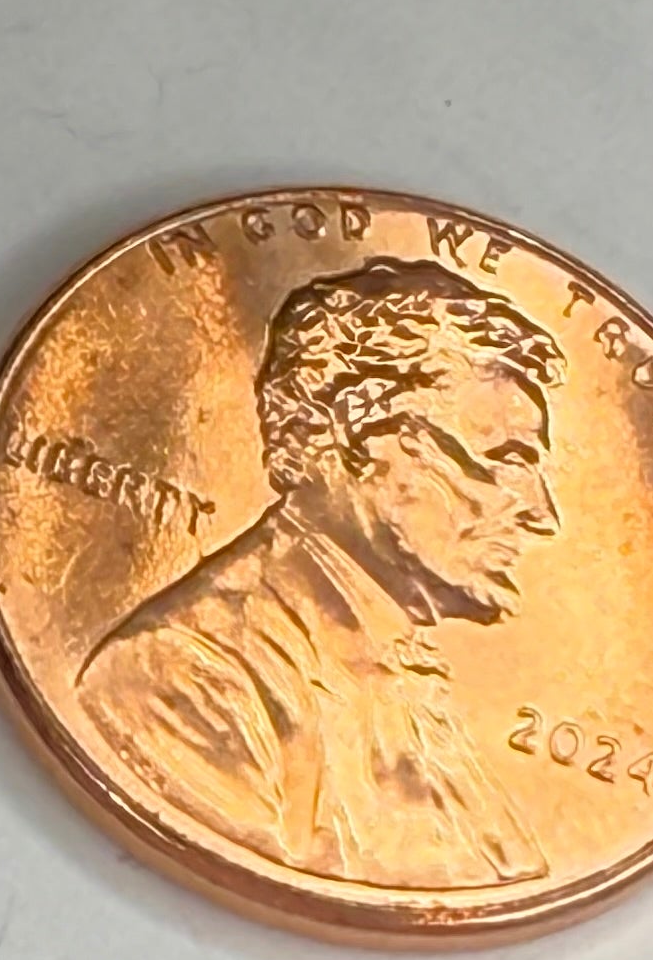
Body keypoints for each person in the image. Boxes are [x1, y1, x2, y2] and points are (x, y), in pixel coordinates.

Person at [80, 258, 563, 890]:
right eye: (504, 460)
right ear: (358, 436)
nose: (542, 513)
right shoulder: (178, 673)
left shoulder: (403, 676)